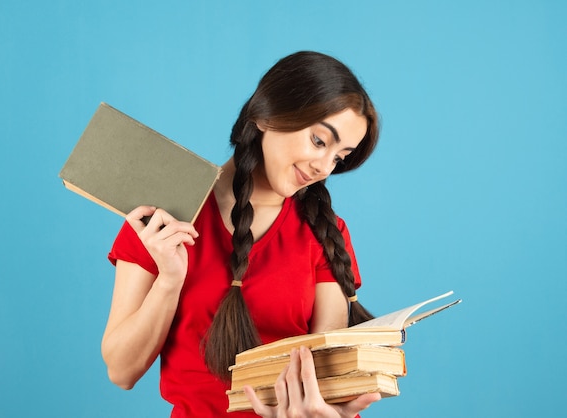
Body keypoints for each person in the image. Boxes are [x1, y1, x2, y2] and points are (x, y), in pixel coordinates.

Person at [101, 51, 381, 417]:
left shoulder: (325, 231)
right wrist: (169, 280)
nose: (323, 167)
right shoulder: (163, 213)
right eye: (319, 141)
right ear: (268, 116)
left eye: (340, 157)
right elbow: (121, 371)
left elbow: (324, 379)